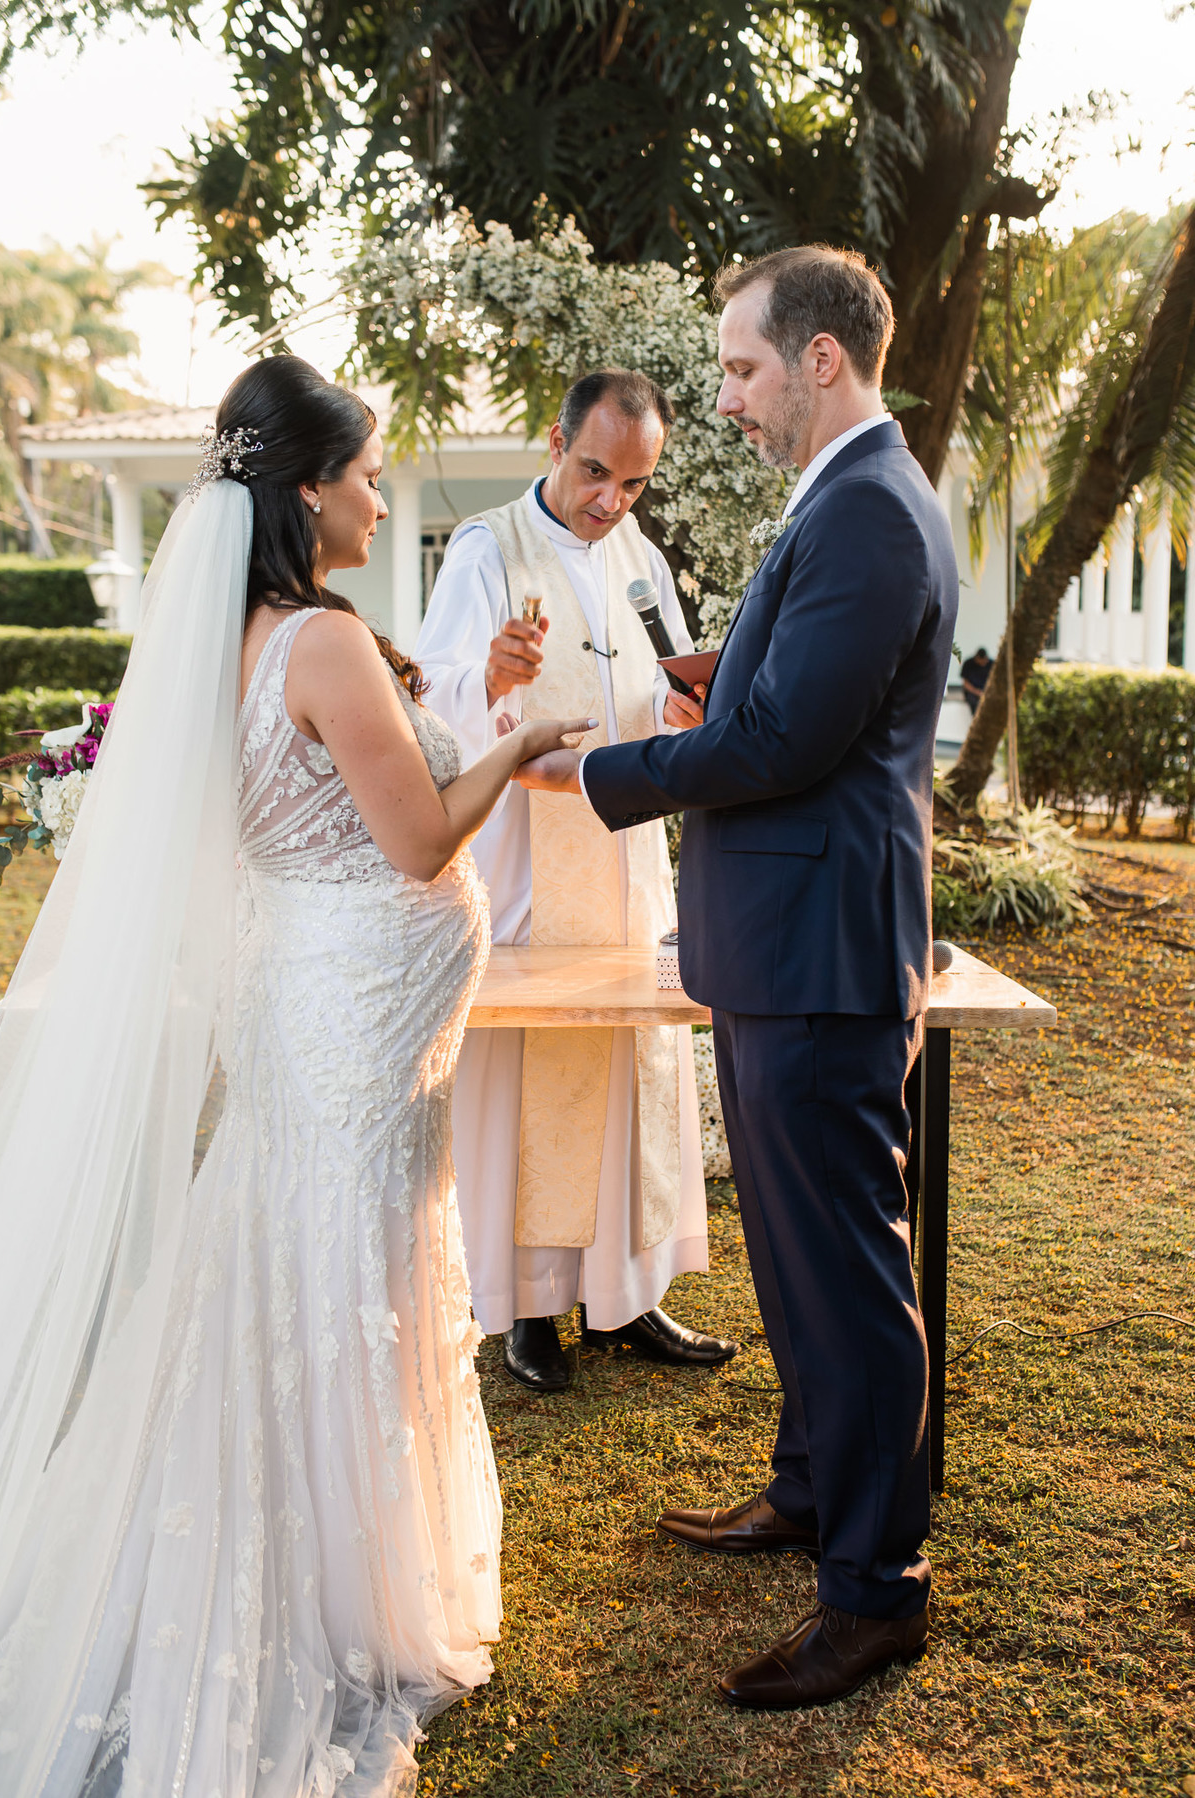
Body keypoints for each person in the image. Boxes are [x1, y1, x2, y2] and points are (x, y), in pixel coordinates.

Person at [0, 356, 591, 1796]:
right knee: (347, 1274)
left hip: (322, 1005)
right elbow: (417, 839)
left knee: (307, 1265)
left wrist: (455, 700)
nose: (385, 498)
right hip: (348, 1023)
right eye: (373, 473)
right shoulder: (319, 640)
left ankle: (331, 1553)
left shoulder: (255, 636)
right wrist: (515, 742)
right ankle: (339, 1589)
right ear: (310, 487)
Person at [513, 247, 959, 1708]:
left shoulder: (876, 515)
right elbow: (783, 698)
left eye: (742, 367)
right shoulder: (841, 501)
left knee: (845, 1267)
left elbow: (783, 748)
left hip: (826, 953)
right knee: (795, 1257)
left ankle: (877, 1587)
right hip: (786, 946)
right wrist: (726, 665)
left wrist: (605, 768)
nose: (727, 396)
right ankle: (815, 1489)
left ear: (822, 358)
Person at [415, 368, 736, 1394]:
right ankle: (527, 1308)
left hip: (624, 851)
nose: (610, 501)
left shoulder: (637, 558)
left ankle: (627, 1292)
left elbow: (658, 683)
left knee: (632, 1063)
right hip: (526, 856)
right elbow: (434, 702)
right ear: (555, 440)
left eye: (633, 484)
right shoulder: (485, 551)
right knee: (530, 1072)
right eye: (597, 471)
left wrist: (685, 714)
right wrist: (491, 681)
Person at [960, 645, 991, 713]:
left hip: (987, 691)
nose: (984, 662)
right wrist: (977, 692)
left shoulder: (991, 664)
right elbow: (965, 683)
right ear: (977, 658)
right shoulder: (968, 663)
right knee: (974, 703)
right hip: (972, 692)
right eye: (982, 661)